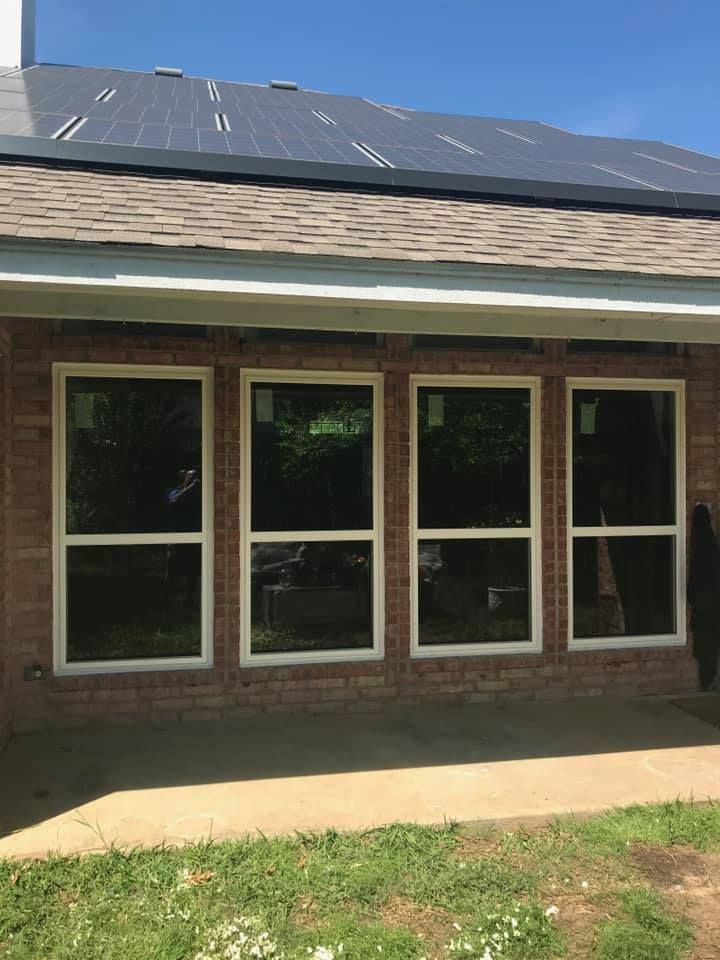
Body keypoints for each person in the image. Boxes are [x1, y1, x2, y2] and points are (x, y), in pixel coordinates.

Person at [687, 504, 720, 691]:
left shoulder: (699, 543)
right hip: (711, 601)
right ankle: (709, 679)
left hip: (704, 602)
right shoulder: (710, 541)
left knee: (705, 642)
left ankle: (707, 680)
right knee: (710, 642)